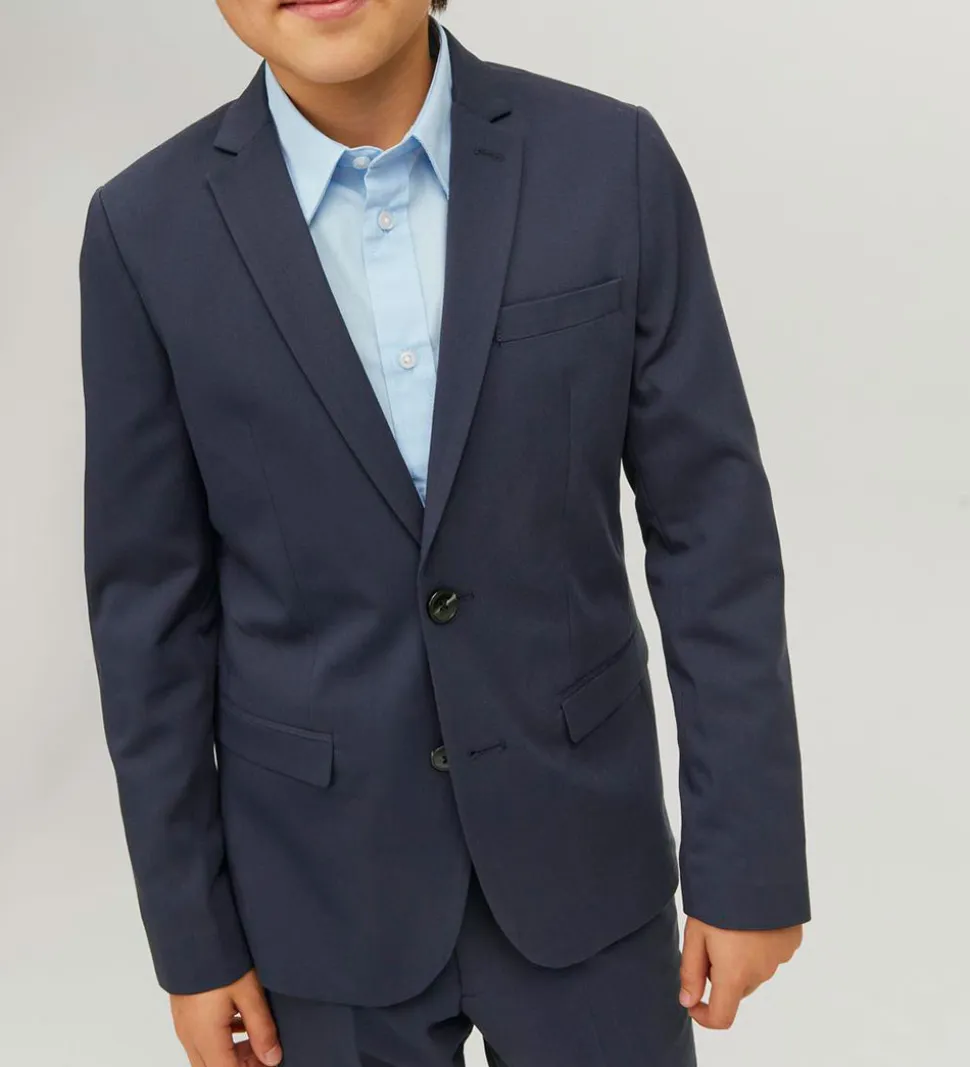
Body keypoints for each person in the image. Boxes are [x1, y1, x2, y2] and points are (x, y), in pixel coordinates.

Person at [78, 2, 810, 1064]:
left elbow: (713, 531)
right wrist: (192, 936)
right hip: (316, 900)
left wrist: (749, 863)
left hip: (585, 866)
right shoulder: (144, 230)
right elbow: (149, 619)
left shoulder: (610, 162)